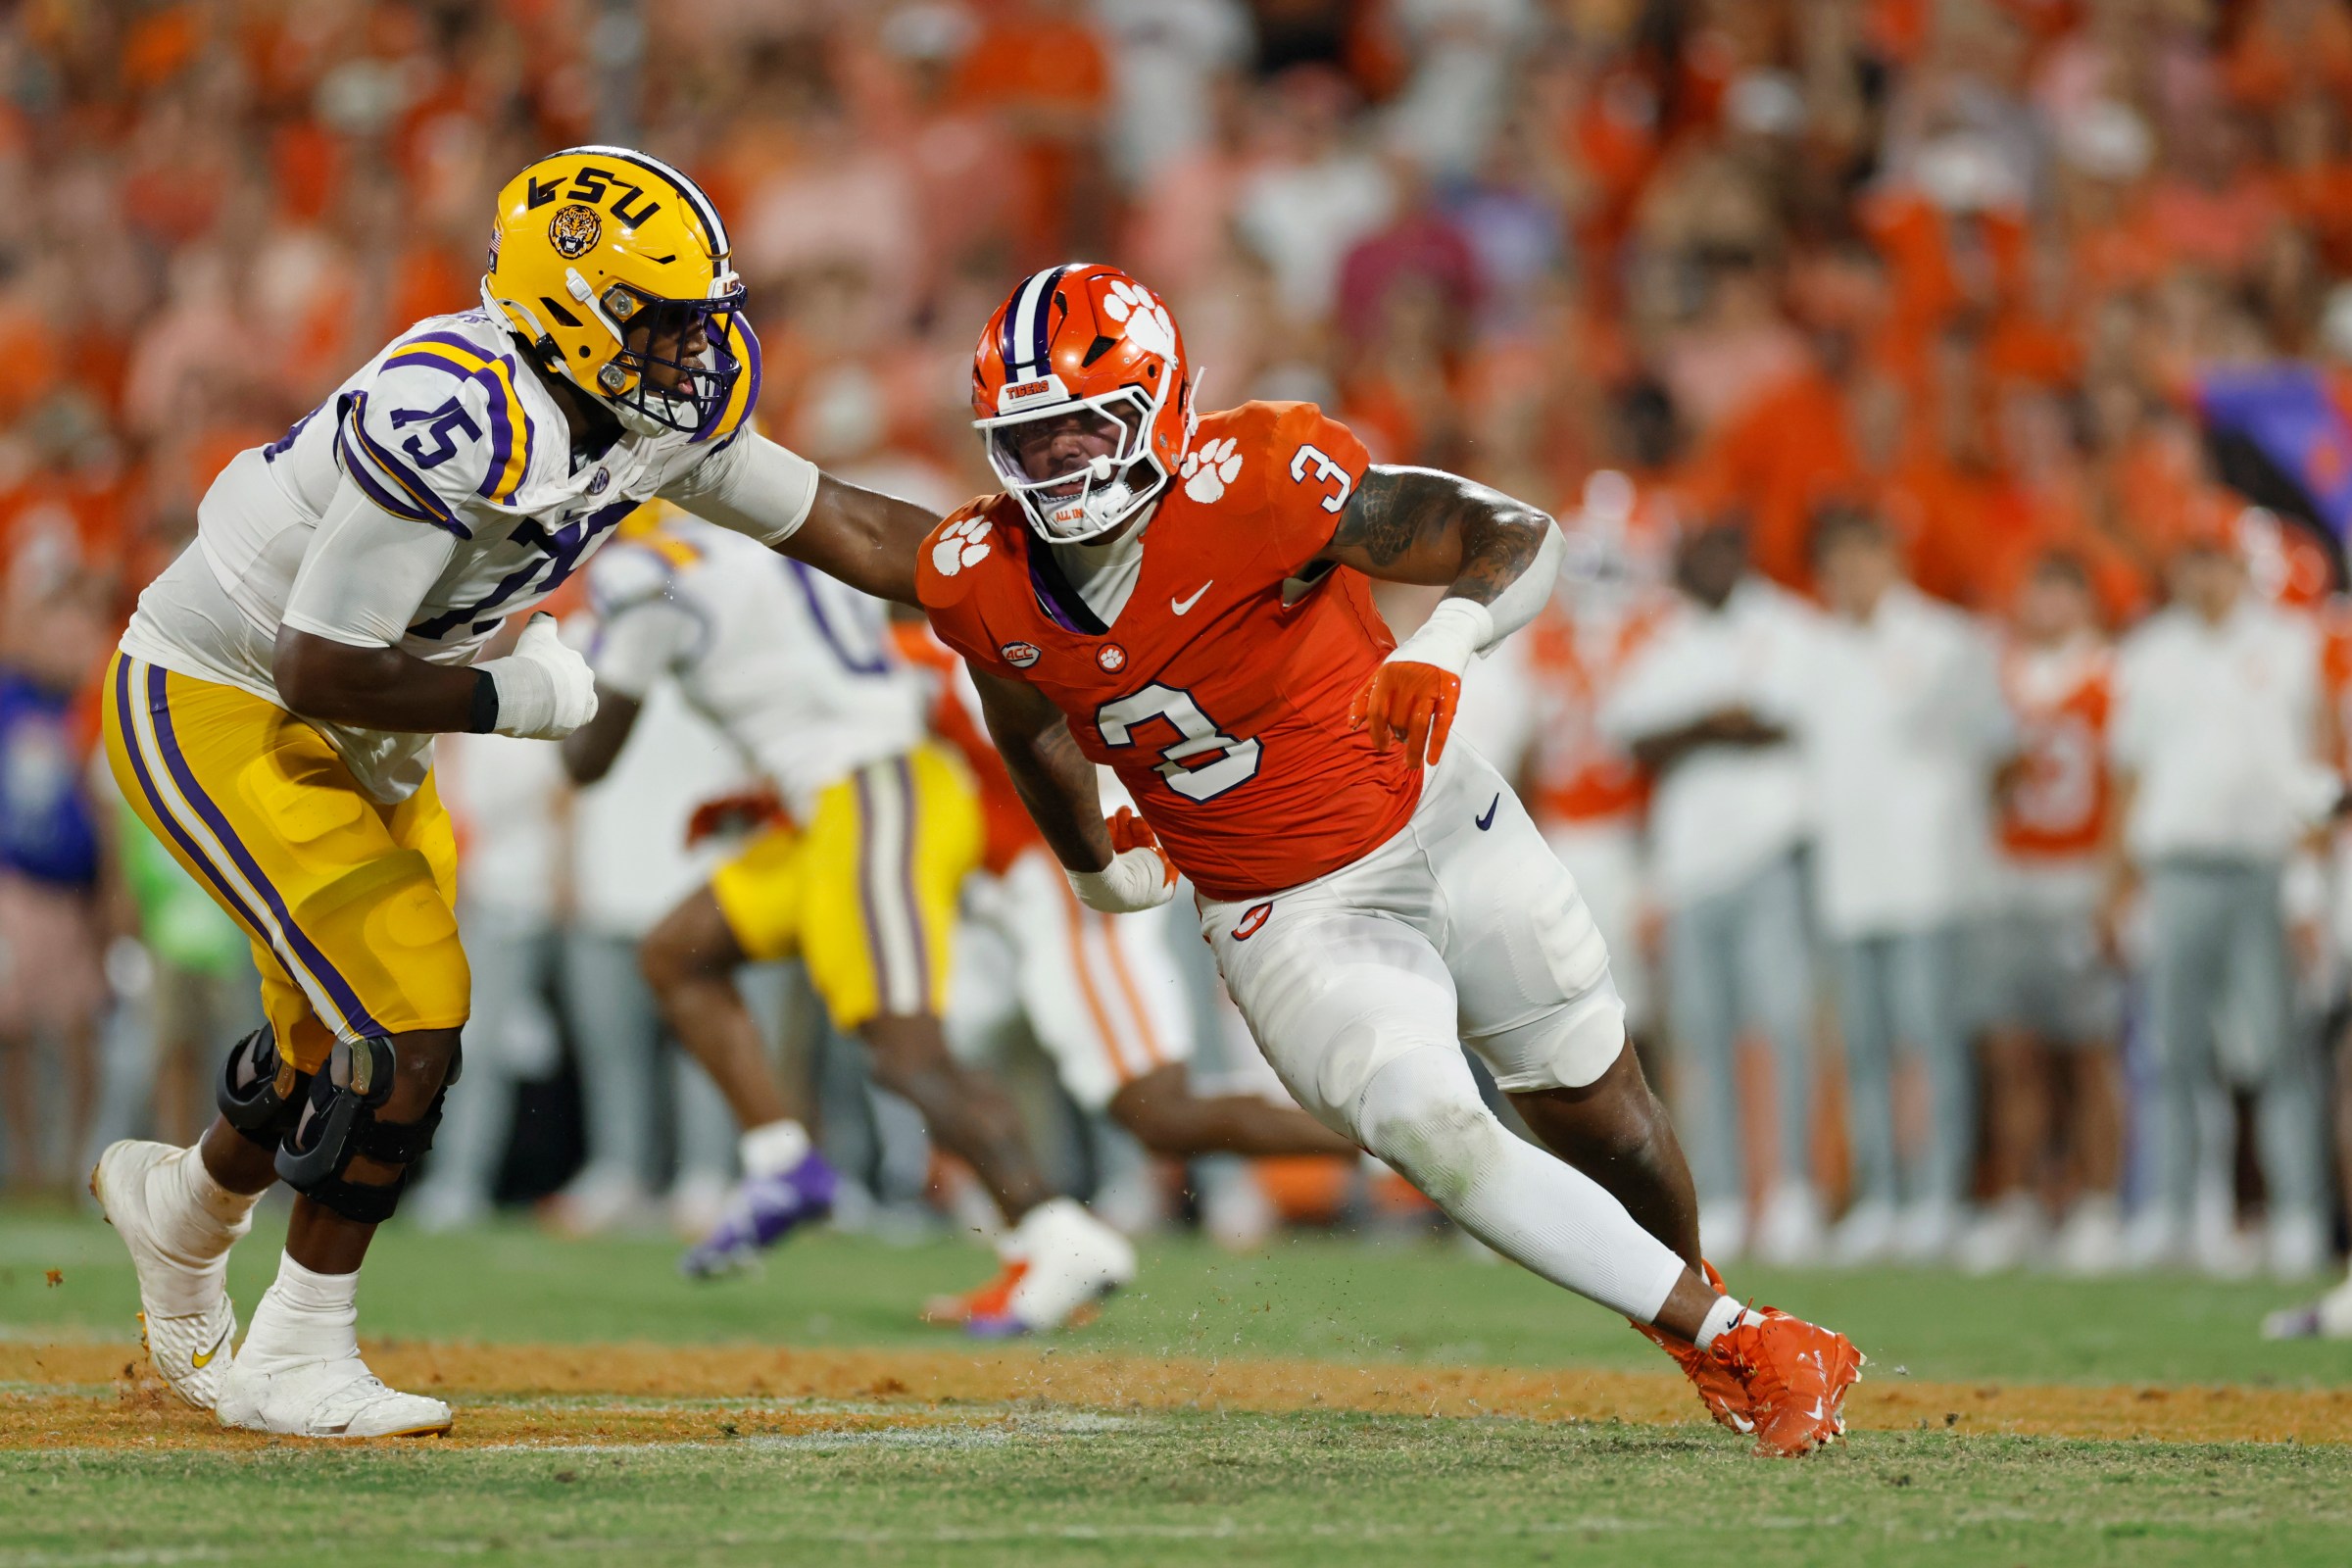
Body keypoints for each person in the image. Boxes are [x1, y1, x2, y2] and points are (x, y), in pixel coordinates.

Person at [917, 263, 1862, 1456]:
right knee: (1433, 1120)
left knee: (1602, 1104)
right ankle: (1739, 1336)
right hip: (1281, 905)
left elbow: (1513, 533)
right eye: (1029, 438)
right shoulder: (990, 565)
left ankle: (1701, 1313)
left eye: (1077, 429)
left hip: (1428, 810)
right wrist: (699, 465)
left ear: (1154, 401)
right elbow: (884, 564)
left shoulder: (1256, 474)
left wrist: (1451, 639)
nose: (1052, 464)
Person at [88, 147, 947, 1440]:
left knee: (333, 1035)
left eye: (700, 312)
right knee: (412, 1017)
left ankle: (188, 1208)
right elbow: (313, 660)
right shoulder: (465, 409)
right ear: (569, 308)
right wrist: (512, 702)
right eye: (660, 318)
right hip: (221, 698)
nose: (692, 346)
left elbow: (850, 527)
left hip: (364, 720)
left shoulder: (642, 414)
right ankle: (296, 1350)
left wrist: (1027, 574)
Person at [562, 501, 1136, 1332]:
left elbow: (590, 757)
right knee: (679, 952)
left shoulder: (645, 574)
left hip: (874, 796)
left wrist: (536, 680)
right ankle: (782, 1162)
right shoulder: (746, 536)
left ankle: (1062, 1237)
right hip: (835, 804)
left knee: (908, 1053)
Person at [2109, 527, 2333, 1278]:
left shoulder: (2292, 642)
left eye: (2215, 560)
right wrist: (2119, 884)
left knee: (2276, 1050)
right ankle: (2170, 1215)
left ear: (2240, 566)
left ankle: (2299, 1212)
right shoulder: (2148, 652)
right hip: (2175, 868)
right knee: (2169, 1053)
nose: (2202, 574)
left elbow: (2322, 763)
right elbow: (2129, 774)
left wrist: (2310, 882)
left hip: (2263, 866)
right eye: (2191, 558)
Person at [1789, 506, 2010, 1266]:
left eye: (1862, 557)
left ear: (1892, 556)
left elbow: (1999, 744)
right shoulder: (1817, 651)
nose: (1848, 576)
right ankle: (1882, 1196)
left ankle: (1940, 1197)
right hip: (1849, 880)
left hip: (1928, 878)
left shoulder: (1947, 640)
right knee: (1866, 1050)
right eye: (1837, 562)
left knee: (1932, 1044)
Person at [1601, 516, 1825, 1265]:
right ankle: (1723, 1195)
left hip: (1769, 854)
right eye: (1697, 550)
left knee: (1781, 1028)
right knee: (1703, 1035)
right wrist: (1710, 721)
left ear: (1743, 550)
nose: (1710, 561)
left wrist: (1691, 730)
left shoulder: (1785, 622)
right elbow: (1630, 735)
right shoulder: (1665, 631)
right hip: (1689, 867)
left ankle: (1791, 1191)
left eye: (1722, 545)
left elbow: (1783, 721)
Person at [1969, 553, 2128, 1275]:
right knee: (2014, 1055)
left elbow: (2127, 783)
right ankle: (2020, 1202)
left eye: (2063, 588)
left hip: (2076, 877)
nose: (2048, 604)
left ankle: (2096, 1204)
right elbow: (1984, 780)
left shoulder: (2112, 673)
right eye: (2040, 587)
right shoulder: (1999, 673)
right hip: (2013, 878)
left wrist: (2114, 886)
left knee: (2090, 1055)